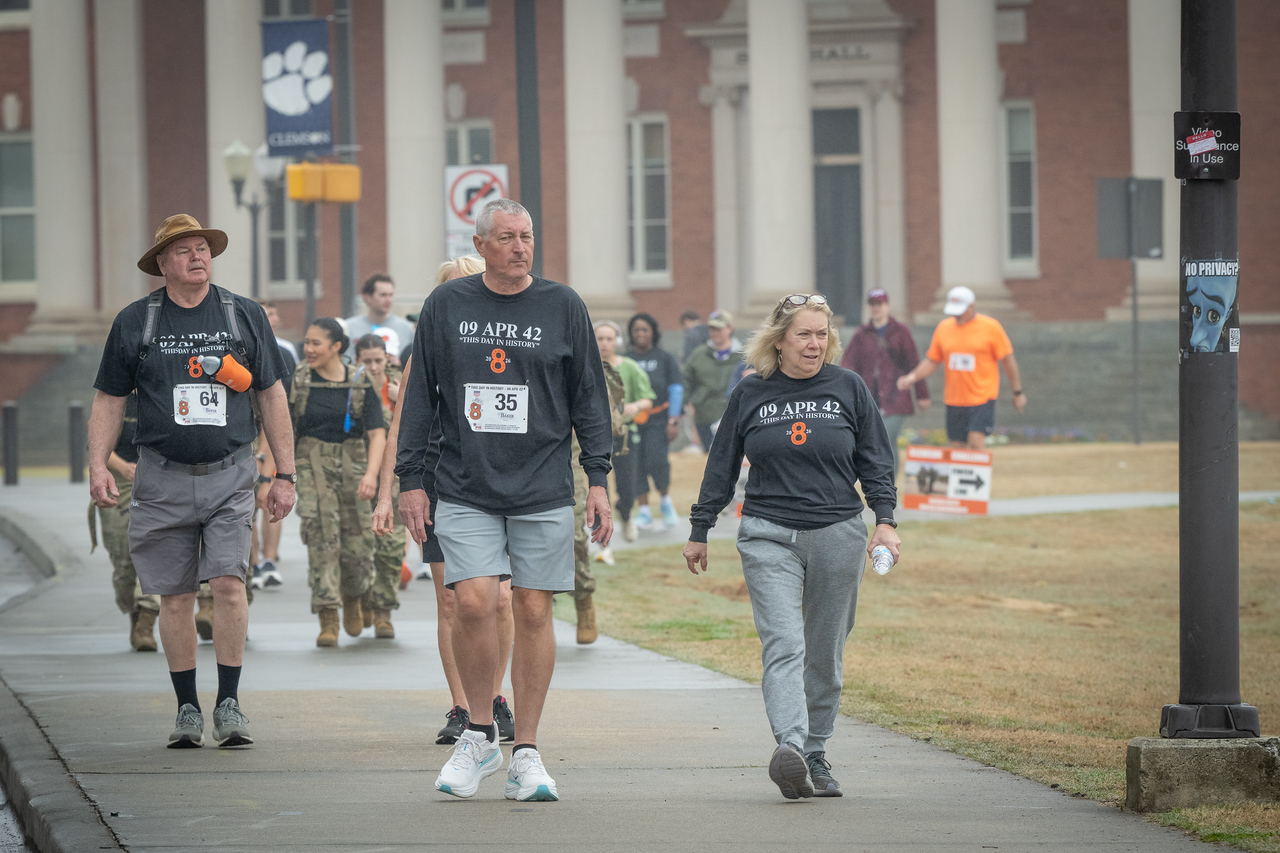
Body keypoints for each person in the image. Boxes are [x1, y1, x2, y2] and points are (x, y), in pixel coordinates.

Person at [396, 198, 613, 802]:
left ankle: (528, 752)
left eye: (528, 236)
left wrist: (597, 479)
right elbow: (420, 397)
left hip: (542, 481)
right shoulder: (447, 305)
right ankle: (480, 733)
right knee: (472, 602)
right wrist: (409, 477)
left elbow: (589, 397)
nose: (521, 247)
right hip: (464, 480)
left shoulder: (562, 305)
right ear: (482, 243)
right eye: (508, 238)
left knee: (535, 611)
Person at [682, 293, 900, 801]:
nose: (814, 343)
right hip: (767, 533)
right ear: (779, 340)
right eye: (804, 334)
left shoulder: (849, 388)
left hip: (838, 533)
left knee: (824, 651)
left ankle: (817, 755)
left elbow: (876, 460)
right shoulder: (751, 392)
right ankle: (792, 747)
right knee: (785, 642)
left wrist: (885, 521)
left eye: (822, 334)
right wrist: (700, 528)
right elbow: (722, 463)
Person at [88, 213, 295, 749]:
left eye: (202, 248)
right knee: (175, 597)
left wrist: (284, 474)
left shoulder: (243, 314)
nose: (197, 257)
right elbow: (109, 399)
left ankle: (228, 701)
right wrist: (97, 464)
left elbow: (271, 394)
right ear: (162, 264)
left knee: (229, 583)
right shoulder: (136, 322)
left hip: (230, 473)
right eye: (183, 251)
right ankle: (186, 709)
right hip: (160, 477)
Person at [373, 254, 518, 743]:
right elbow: (401, 425)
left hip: (503, 476)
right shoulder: (426, 351)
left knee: (501, 597)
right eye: (455, 289)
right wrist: (391, 492)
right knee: (453, 600)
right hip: (440, 479)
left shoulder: (509, 342)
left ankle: (494, 696)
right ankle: (462, 706)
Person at [289, 318, 385, 647]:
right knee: (320, 535)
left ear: (336, 347)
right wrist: (274, 477)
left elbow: (377, 434)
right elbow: (285, 429)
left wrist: (372, 475)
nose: (309, 349)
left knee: (358, 546)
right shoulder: (300, 380)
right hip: (312, 461)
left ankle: (355, 595)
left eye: (317, 343)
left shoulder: (360, 381)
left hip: (354, 463)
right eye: (307, 342)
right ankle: (327, 615)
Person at [896, 286, 1026, 450]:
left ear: (971, 306)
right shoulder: (944, 328)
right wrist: (912, 377)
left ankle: (977, 476)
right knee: (957, 447)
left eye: (960, 310)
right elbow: (932, 360)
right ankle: (962, 477)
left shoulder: (991, 327)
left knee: (975, 442)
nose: (956, 315)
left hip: (982, 397)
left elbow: (1008, 361)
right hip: (954, 399)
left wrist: (1017, 392)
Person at [88, 391, 161, 651]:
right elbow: (97, 446)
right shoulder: (116, 396)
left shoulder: (164, 393)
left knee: (154, 551)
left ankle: (146, 621)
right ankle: (133, 609)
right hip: (119, 480)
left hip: (158, 480)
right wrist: (122, 467)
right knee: (123, 556)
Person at [841, 288, 930, 476]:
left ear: (887, 306)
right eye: (872, 305)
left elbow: (914, 364)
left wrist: (922, 395)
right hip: (870, 398)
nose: (876, 309)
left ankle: (890, 484)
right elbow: (848, 363)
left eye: (879, 304)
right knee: (873, 441)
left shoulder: (901, 332)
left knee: (887, 438)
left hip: (897, 396)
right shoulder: (861, 334)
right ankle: (879, 481)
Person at [354, 333, 406, 638]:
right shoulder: (349, 385)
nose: (374, 367)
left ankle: (384, 610)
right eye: (367, 360)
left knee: (391, 547)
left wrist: (404, 399)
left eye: (379, 360)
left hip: (396, 479)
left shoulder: (401, 385)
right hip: (358, 475)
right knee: (358, 549)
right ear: (357, 359)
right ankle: (361, 600)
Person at [593, 320, 653, 543]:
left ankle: (626, 514)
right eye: (600, 339)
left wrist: (636, 406)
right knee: (598, 482)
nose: (605, 343)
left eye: (609, 339)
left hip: (625, 435)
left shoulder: (630, 367)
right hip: (595, 435)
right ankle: (600, 529)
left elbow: (648, 398)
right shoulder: (587, 366)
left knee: (628, 484)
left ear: (617, 341)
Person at [624, 313, 683, 532]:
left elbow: (676, 389)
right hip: (633, 422)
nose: (640, 334)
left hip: (659, 420)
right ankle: (644, 511)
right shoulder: (626, 359)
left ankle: (666, 501)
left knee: (656, 461)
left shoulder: (664, 358)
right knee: (636, 465)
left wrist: (673, 420)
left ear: (653, 333)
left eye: (645, 330)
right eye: (636, 330)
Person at [682, 309, 743, 452]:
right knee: (709, 458)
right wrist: (683, 404)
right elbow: (686, 381)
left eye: (719, 328)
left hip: (734, 417)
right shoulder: (699, 354)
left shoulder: (743, 355)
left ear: (729, 328)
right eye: (712, 328)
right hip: (704, 415)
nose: (715, 332)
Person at [345, 273, 416, 363]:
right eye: (383, 295)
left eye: (391, 295)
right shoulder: (349, 327)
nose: (388, 300)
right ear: (367, 298)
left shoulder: (406, 328)